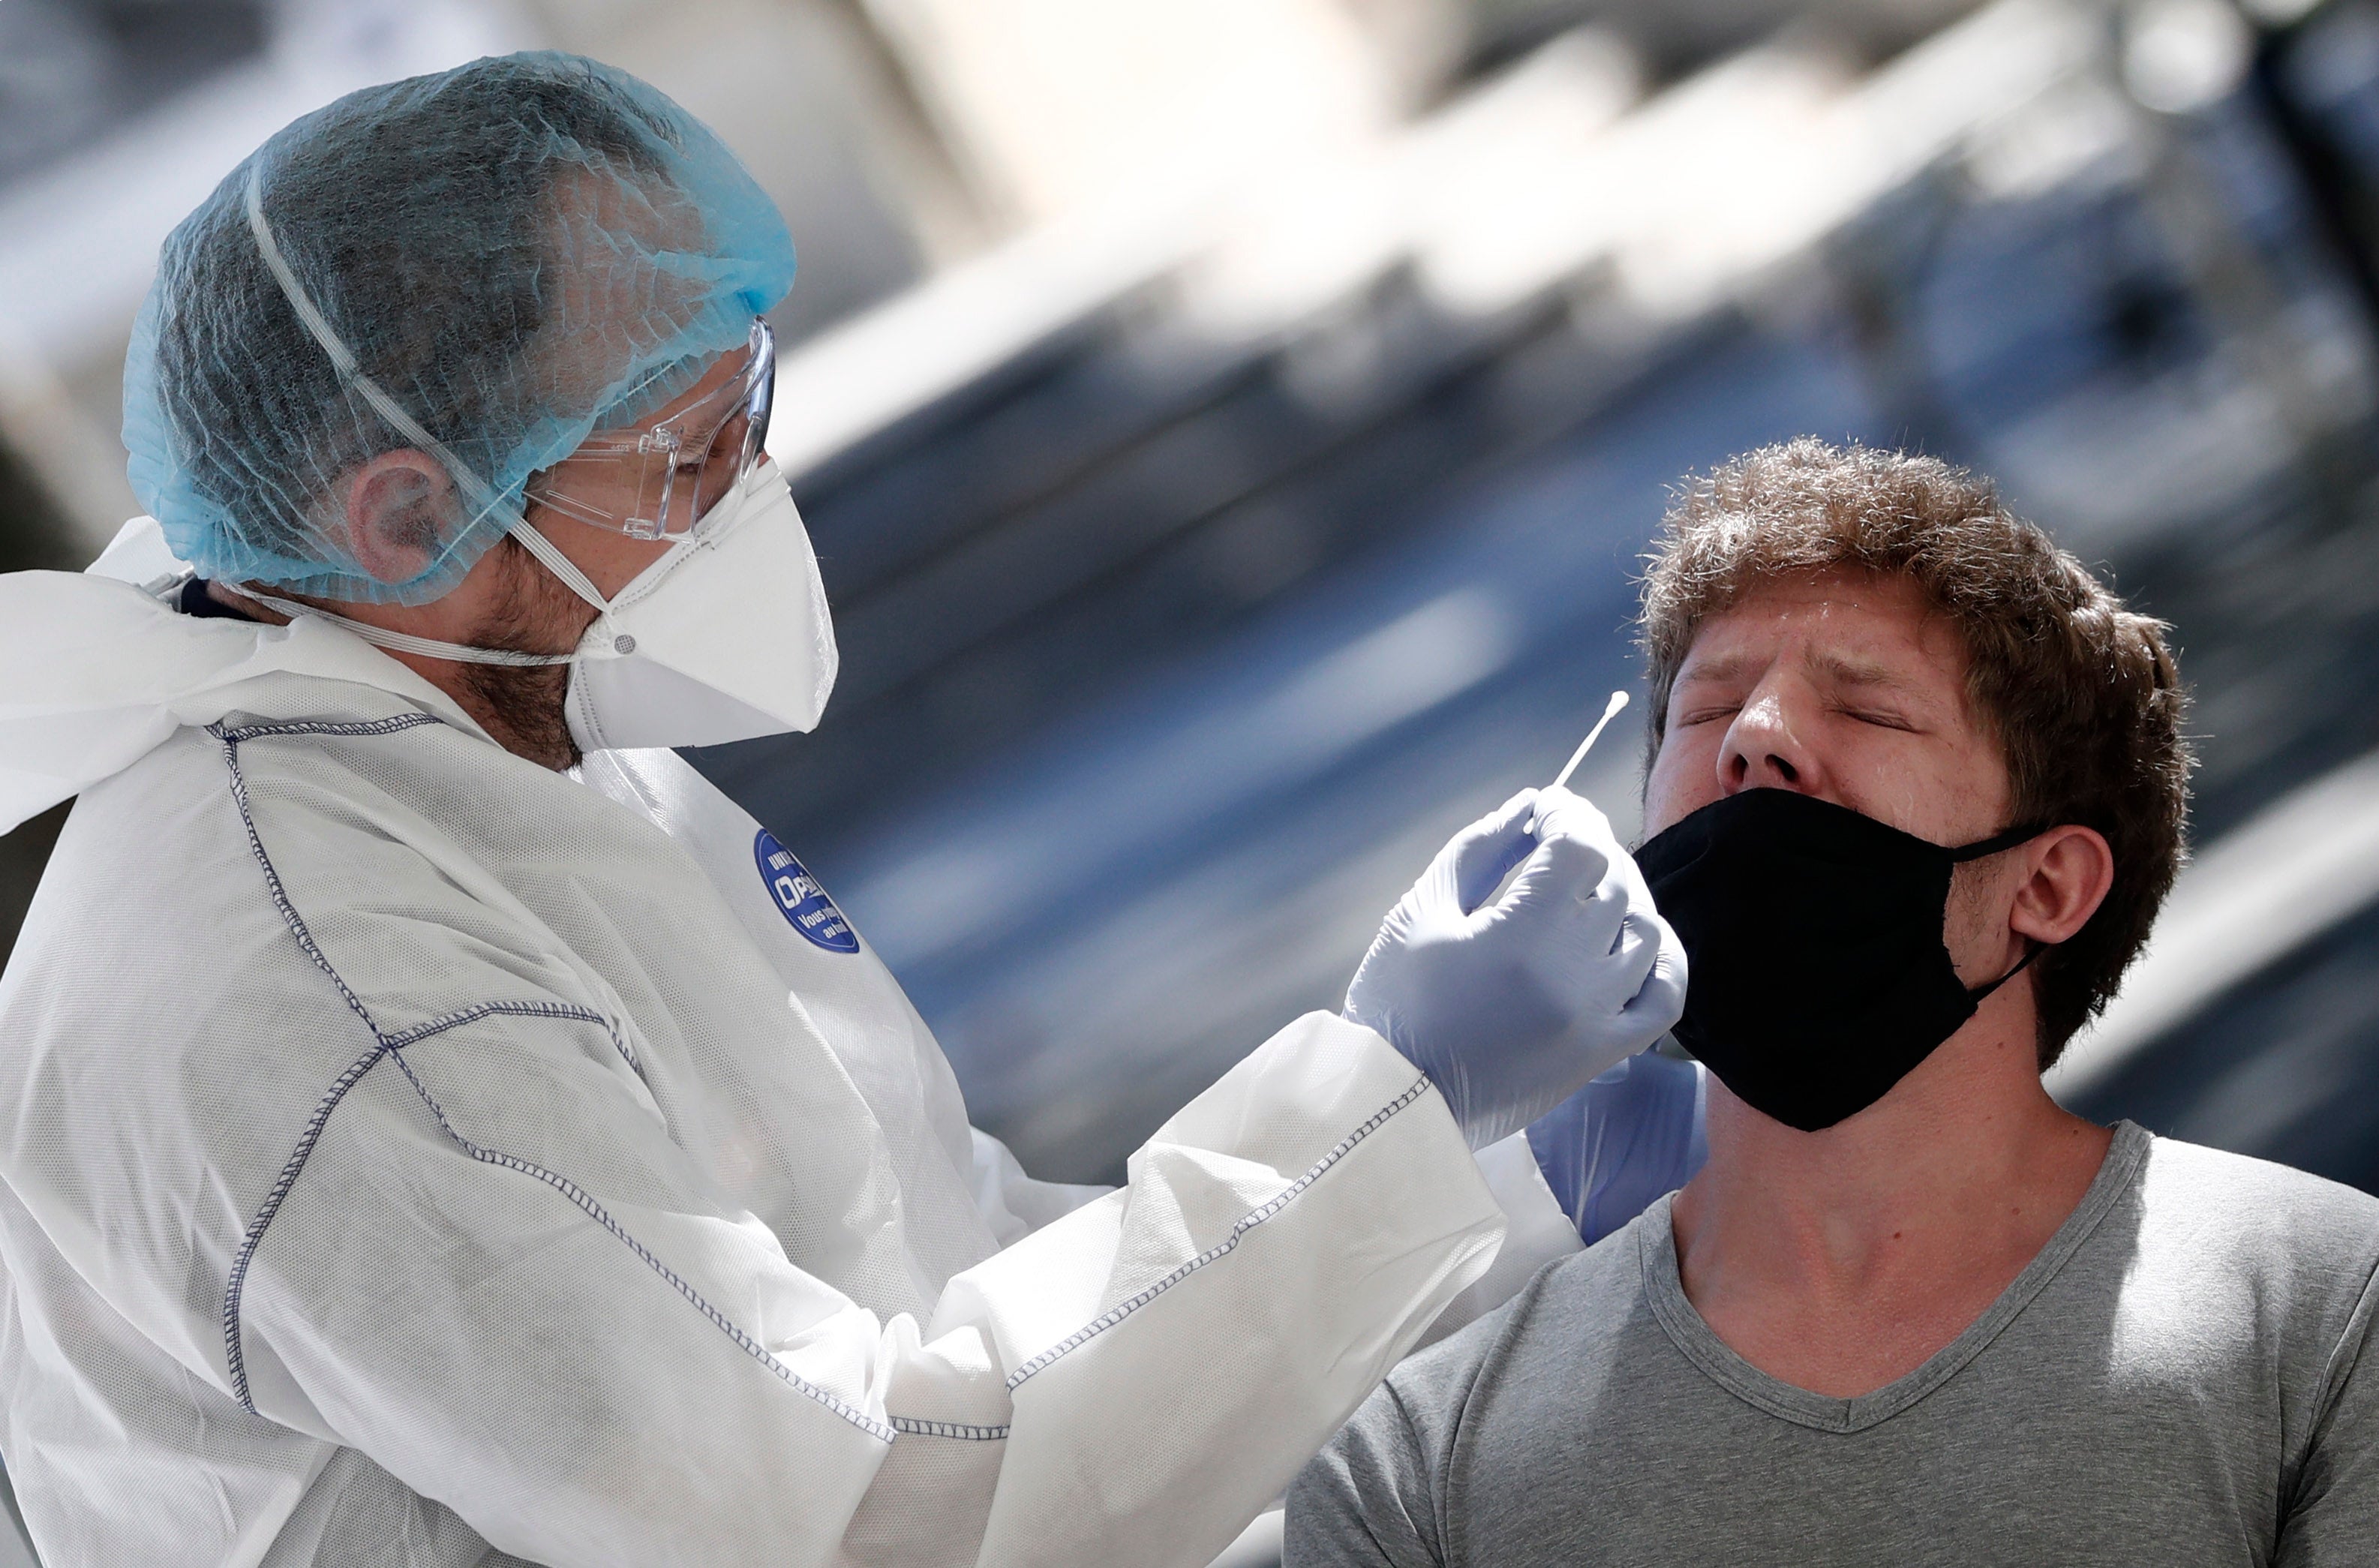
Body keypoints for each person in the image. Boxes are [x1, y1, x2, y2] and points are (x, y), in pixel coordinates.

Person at [0, 54, 1699, 1568]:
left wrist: (1493, 1203)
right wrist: (1388, 1101)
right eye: (683, 455)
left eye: (751, 406)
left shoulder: (476, 706)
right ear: (399, 512)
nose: (746, 496)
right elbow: (857, 1511)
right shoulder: (313, 988)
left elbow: (934, 1275)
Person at [1288, 439, 2379, 1566]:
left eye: (1867, 710)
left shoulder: (2320, 1314)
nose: (1758, 734)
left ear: (2046, 885)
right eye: (1708, 710)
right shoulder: (1415, 1467)